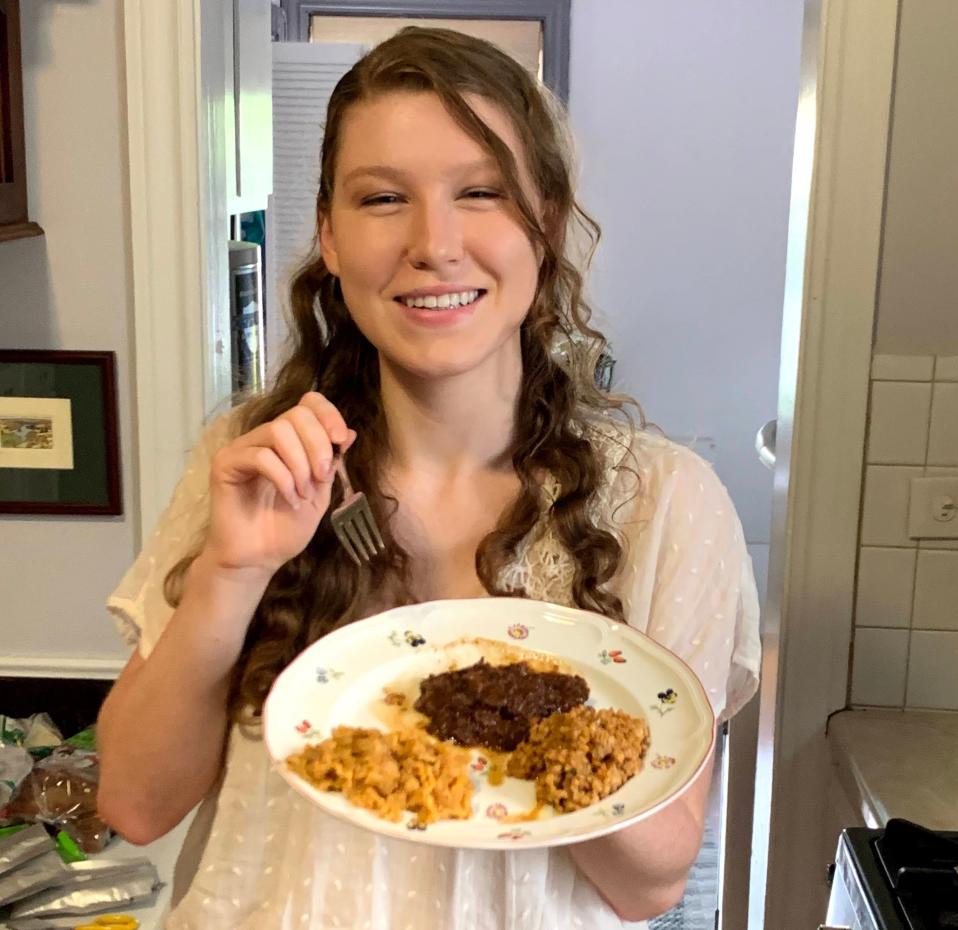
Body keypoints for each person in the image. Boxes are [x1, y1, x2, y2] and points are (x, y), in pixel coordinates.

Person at [96, 27, 760, 930]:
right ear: (328, 236)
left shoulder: (665, 505)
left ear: (548, 224)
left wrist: (527, 670)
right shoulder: (254, 462)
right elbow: (134, 805)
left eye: (479, 192)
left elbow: (651, 881)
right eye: (381, 199)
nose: (433, 244)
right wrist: (234, 571)